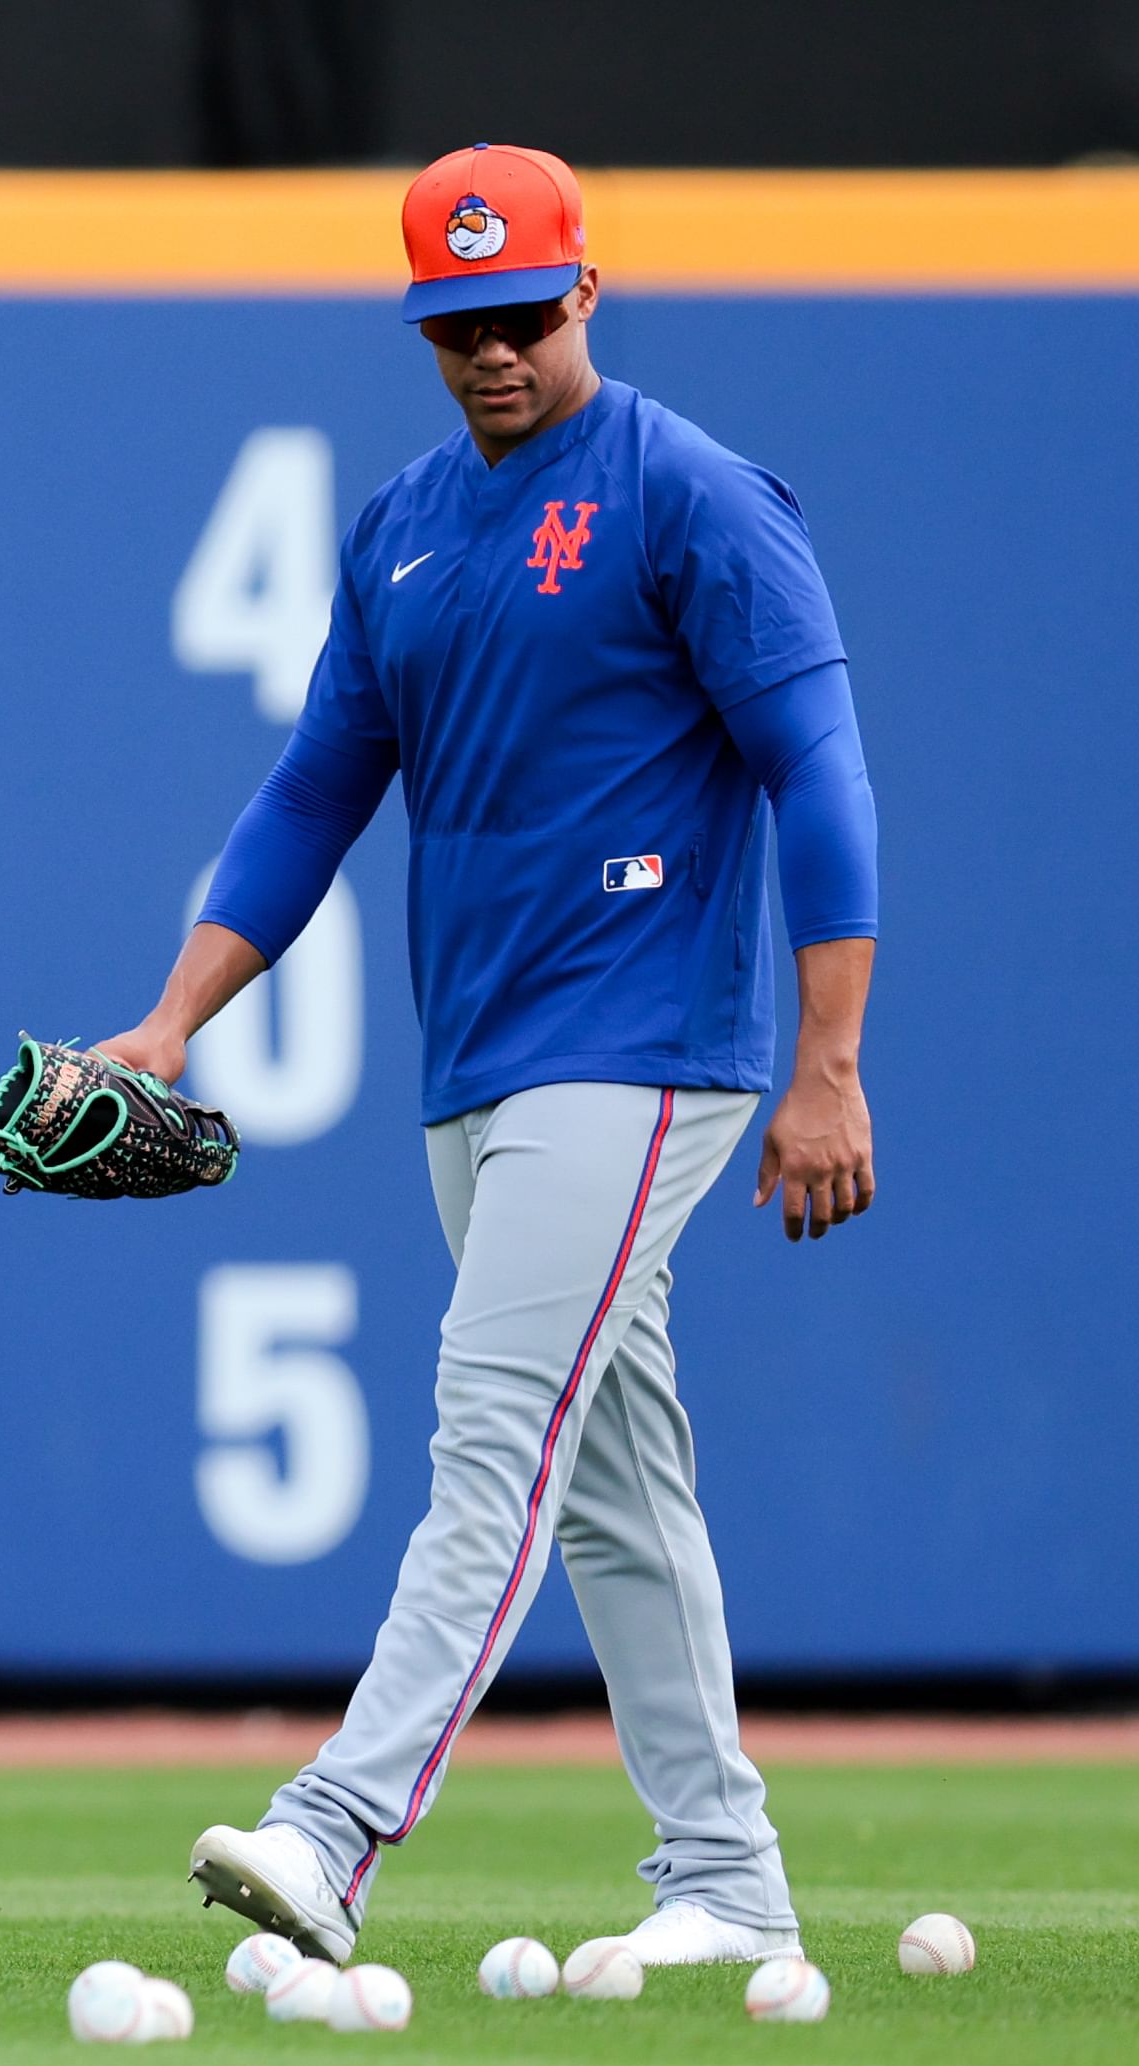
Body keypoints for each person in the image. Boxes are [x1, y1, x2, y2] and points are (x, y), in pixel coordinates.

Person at [102, 143, 880, 1969]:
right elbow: (311, 796)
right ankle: (726, 1880)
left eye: (523, 313)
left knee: (490, 1420)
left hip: (644, 1041)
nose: (493, 352)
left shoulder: (688, 495)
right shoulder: (401, 532)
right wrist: (164, 1023)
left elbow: (816, 772)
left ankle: (335, 1828)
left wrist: (827, 1058)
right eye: (455, 324)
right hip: (480, 1066)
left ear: (585, 292)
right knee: (616, 1485)